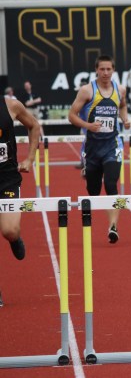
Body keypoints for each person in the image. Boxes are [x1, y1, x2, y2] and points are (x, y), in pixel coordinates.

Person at [68, 55, 130, 243]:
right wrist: (88, 126)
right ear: (96, 70)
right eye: (102, 69)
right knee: (93, 190)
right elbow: (71, 115)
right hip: (92, 148)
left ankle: (113, 226)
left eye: (108, 69)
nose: (105, 73)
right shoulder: (87, 91)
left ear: (113, 70)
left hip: (112, 145)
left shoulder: (120, 89)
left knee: (111, 184)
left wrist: (125, 119)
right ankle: (88, 171)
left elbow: (123, 105)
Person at [1, 93, 42, 303]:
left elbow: (34, 126)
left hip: (7, 179)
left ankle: (15, 239)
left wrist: (30, 159)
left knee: (9, 230)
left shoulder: (11, 106)